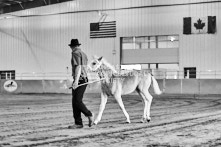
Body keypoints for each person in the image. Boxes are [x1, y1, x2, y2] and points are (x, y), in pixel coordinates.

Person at [68, 39, 93, 129]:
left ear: (72, 46)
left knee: (77, 101)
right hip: (84, 78)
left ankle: (88, 114)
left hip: (79, 79)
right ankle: (78, 123)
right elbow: (85, 68)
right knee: (75, 101)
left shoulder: (75, 53)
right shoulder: (84, 54)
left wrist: (76, 81)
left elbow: (78, 67)